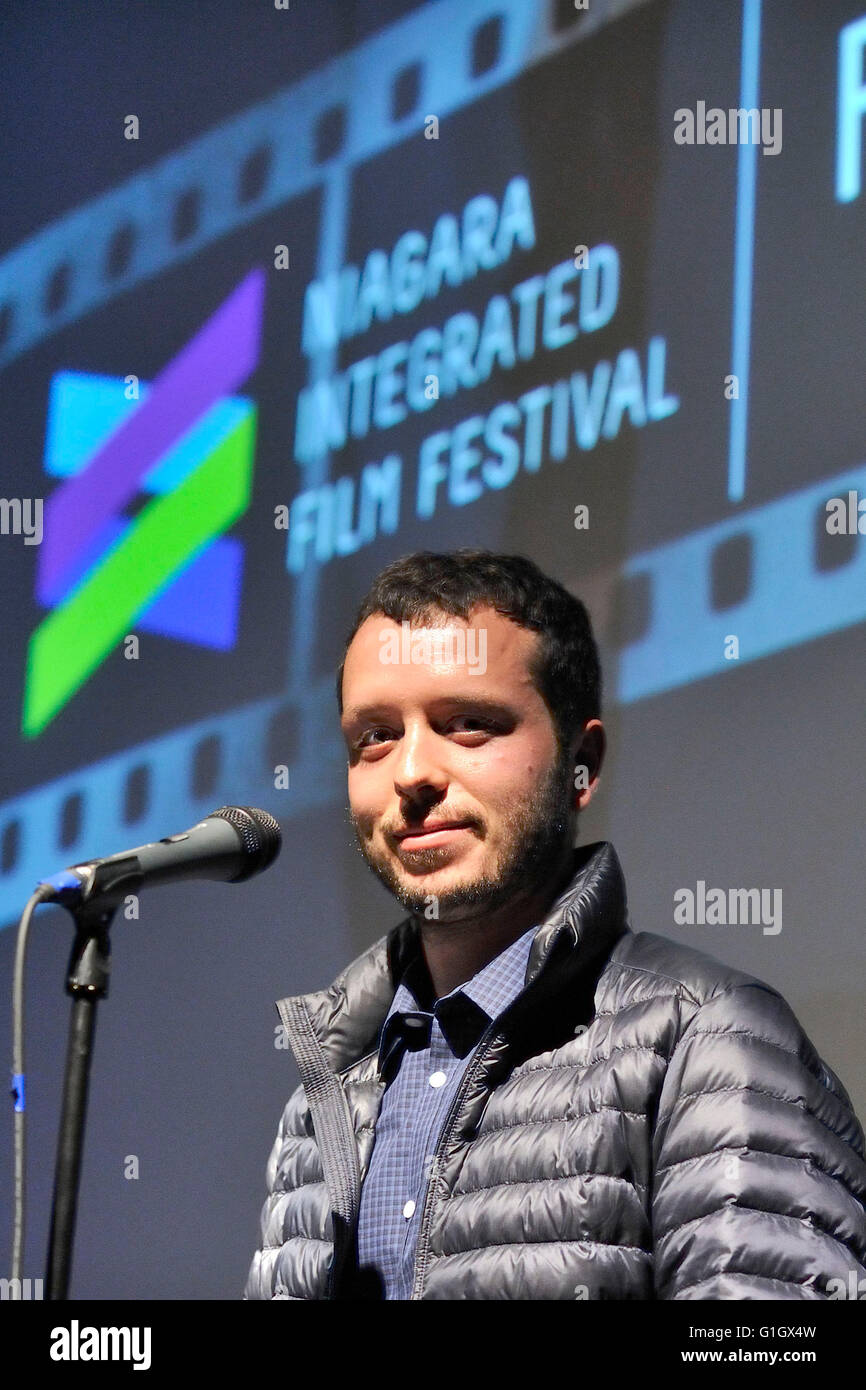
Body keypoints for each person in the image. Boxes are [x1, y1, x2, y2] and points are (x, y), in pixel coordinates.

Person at [244, 548, 866, 1300]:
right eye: (374, 736)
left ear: (583, 762)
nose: (410, 772)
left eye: (468, 723)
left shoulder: (708, 1039)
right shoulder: (326, 1096)